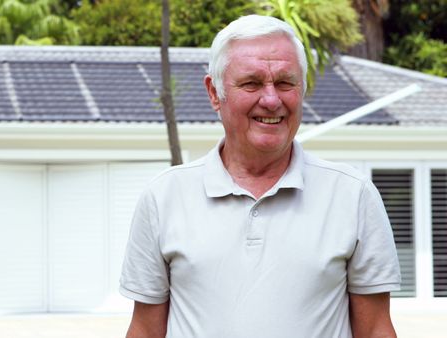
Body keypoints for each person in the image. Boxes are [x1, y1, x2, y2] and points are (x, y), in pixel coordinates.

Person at [120, 15, 401, 338]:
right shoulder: (164, 197)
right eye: (251, 83)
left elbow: (377, 328)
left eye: (285, 83)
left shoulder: (353, 195)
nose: (271, 100)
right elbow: (144, 329)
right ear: (215, 92)